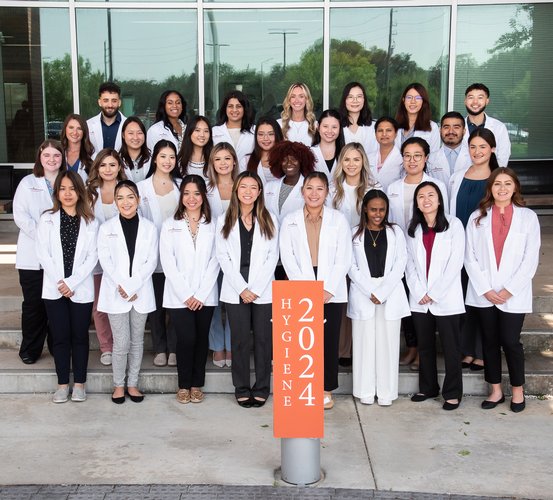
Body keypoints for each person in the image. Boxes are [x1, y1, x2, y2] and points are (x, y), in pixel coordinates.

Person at [465, 168, 540, 413]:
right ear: (491, 188)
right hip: (485, 293)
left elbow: (530, 258)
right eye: (497, 184)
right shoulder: (477, 216)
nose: (502, 188)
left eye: (508, 183)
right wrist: (486, 289)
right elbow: (470, 257)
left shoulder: (528, 217)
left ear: (515, 187)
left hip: (513, 293)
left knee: (510, 341)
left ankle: (518, 391)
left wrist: (508, 290)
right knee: (489, 342)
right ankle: (495, 390)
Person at [280, 172, 352, 410]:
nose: (314, 193)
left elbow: (344, 257)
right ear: (302, 192)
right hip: (301, 284)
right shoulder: (290, 219)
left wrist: (328, 289)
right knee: (304, 343)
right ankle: (305, 388)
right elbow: (287, 256)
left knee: (328, 341)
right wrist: (305, 289)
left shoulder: (338, 219)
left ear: (327, 192)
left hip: (331, 288)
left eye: (319, 189)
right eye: (309, 188)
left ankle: (326, 388)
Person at [216, 171, 279, 408]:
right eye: (244, 187)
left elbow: (273, 256)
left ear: (260, 192)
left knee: (264, 340)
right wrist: (242, 288)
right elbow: (222, 256)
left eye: (253, 187)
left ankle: (262, 387)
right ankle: (241, 387)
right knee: (240, 341)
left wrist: (256, 288)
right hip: (235, 289)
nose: (248, 192)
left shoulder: (269, 218)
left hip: (263, 290)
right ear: (236, 190)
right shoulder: (225, 219)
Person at [36, 171, 98, 403]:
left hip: (79, 287)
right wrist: (61, 282)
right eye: (63, 188)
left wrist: (71, 283)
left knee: (80, 336)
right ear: (57, 193)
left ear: (80, 191)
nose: (68, 193)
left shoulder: (91, 221)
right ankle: (63, 384)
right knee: (60, 337)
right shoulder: (47, 218)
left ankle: (79, 384)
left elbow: (92, 257)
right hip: (54, 288)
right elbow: (43, 253)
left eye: (72, 188)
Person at [387, 137, 448, 369]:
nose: (412, 160)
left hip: (426, 251)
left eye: (417, 156)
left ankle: (424, 351)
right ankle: (411, 347)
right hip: (399, 253)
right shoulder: (393, 187)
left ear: (426, 158)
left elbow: (444, 219)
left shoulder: (436, 186)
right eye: (407, 156)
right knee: (407, 303)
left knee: (424, 305)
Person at [160, 175, 219, 404]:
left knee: (202, 339)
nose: (191, 198)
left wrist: (201, 294)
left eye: (196, 193)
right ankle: (183, 384)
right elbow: (168, 262)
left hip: (205, 294)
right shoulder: (169, 225)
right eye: (186, 193)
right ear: (181, 196)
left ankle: (196, 384)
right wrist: (186, 294)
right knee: (186, 339)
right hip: (179, 296)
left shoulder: (213, 224)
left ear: (203, 195)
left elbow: (216, 260)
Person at [97, 180, 158, 404]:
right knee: (121, 342)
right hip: (116, 292)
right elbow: (106, 260)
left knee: (137, 342)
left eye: (130, 197)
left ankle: (132, 383)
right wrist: (123, 286)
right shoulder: (106, 228)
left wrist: (133, 285)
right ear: (115, 202)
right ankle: (118, 385)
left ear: (138, 200)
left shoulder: (150, 228)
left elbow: (151, 260)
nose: (126, 202)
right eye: (120, 198)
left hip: (140, 292)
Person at [405, 181, 464, 411]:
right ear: (417, 203)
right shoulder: (413, 229)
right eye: (421, 196)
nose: (426, 199)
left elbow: (455, 262)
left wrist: (435, 292)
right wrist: (420, 291)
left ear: (439, 200)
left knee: (451, 348)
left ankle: (452, 393)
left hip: (446, 297)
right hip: (420, 298)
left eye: (431, 195)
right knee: (425, 346)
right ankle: (428, 387)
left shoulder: (454, 225)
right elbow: (408, 263)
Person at [348, 190, 410, 406]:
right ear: (365, 209)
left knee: (388, 344)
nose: (377, 214)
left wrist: (382, 291)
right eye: (373, 209)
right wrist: (369, 290)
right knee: (364, 344)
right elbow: (351, 266)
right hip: (364, 292)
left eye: (382, 210)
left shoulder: (396, 233)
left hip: (389, 292)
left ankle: (386, 392)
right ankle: (364, 390)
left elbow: (401, 263)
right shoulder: (354, 233)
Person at [450, 128, 500, 371]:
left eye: (482, 147)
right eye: (473, 147)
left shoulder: (496, 179)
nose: (477, 152)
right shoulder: (458, 176)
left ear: (492, 149)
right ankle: (466, 350)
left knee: (482, 299)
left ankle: (481, 351)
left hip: (484, 251)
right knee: (462, 298)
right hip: (459, 246)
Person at [13, 140, 64, 364]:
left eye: (56, 155)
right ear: (39, 158)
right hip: (31, 257)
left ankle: (56, 347)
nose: (52, 160)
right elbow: (20, 216)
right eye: (47, 156)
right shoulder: (27, 183)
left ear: (62, 158)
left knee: (56, 305)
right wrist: (44, 236)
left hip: (60, 257)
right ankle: (30, 349)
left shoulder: (68, 182)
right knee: (33, 305)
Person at [137, 140, 181, 367]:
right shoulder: (142, 188)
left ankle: (174, 348)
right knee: (156, 306)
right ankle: (160, 348)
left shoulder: (181, 186)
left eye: (172, 157)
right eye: (163, 156)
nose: (167, 161)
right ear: (155, 158)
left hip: (177, 255)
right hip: (151, 256)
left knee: (174, 303)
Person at [86, 149, 127, 366]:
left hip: (123, 259)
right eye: (103, 165)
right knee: (100, 305)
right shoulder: (89, 192)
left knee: (121, 301)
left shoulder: (127, 190)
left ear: (119, 166)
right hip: (97, 258)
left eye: (112, 165)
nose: (108, 169)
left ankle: (122, 344)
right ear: (97, 168)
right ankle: (106, 346)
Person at [205, 142, 239, 367]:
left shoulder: (243, 185)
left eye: (227, 158)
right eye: (218, 159)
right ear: (212, 164)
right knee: (214, 303)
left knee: (235, 303)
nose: (223, 163)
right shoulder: (206, 189)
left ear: (234, 161)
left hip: (237, 254)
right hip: (210, 253)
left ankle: (233, 344)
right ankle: (218, 345)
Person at [264, 140, 316, 224]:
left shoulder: (310, 187)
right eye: (284, 160)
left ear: (302, 162)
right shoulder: (269, 187)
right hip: (271, 234)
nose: (289, 163)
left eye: (294, 159)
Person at [331, 142, 380, 228]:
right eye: (346, 160)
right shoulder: (332, 188)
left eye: (356, 160)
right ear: (341, 162)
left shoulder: (375, 188)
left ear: (363, 161)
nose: (351, 164)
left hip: (366, 238)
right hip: (339, 239)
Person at [463, 83, 511, 167]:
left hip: (490, 178)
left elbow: (502, 158)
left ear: (487, 101)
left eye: (480, 97)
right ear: (465, 101)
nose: (475, 102)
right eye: (471, 97)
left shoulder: (499, 127)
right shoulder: (458, 127)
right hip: (462, 177)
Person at [394, 83, 440, 157]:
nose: (413, 101)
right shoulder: (393, 126)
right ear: (403, 100)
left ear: (423, 101)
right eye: (409, 97)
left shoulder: (432, 127)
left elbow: (433, 157)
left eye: (418, 98)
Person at [426, 111, 471, 186]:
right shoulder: (430, 159)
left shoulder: (472, 157)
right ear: (440, 130)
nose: (451, 131)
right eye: (446, 127)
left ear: (464, 131)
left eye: (456, 127)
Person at [212, 90, 255, 165]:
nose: (234, 110)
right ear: (225, 109)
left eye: (238, 106)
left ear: (244, 109)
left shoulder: (255, 130)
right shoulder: (214, 131)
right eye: (230, 106)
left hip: (247, 175)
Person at [87, 82, 126, 157]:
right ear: (99, 102)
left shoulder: (128, 125)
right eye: (106, 100)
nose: (110, 105)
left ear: (119, 102)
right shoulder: (88, 125)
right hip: (94, 168)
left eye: (114, 101)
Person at [339, 82, 378, 157]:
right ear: (344, 100)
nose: (355, 100)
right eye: (350, 97)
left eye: (359, 96)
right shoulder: (337, 126)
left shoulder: (374, 127)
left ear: (364, 99)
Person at [244, 116, 284, 184]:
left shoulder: (286, 159)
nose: (266, 138)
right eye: (261, 134)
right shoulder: (246, 160)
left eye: (271, 134)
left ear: (277, 135)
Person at [368, 117, 403, 191]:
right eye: (380, 130)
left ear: (396, 133)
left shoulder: (402, 159)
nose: (384, 134)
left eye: (388, 130)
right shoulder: (368, 157)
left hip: (393, 200)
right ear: (375, 133)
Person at [278, 82, 317, 147]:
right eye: (293, 96)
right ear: (289, 100)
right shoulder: (279, 124)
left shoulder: (315, 126)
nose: (297, 100)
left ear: (306, 99)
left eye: (301, 96)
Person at [177, 115, 213, 180]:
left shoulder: (215, 159)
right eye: (197, 130)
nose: (202, 135)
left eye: (206, 131)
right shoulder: (179, 161)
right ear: (189, 132)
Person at [311, 109, 345, 178]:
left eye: (334, 127)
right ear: (318, 126)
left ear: (340, 129)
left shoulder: (346, 153)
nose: (329, 131)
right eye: (325, 126)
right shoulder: (309, 153)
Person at [60, 114, 94, 182]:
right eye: (71, 127)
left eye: (79, 128)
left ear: (84, 132)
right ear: (65, 129)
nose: (75, 132)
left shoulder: (92, 155)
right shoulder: (58, 153)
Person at [119, 116, 151, 184]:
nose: (135, 137)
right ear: (123, 135)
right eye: (130, 133)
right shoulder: (117, 160)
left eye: (139, 133)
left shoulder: (154, 159)